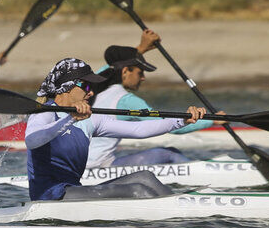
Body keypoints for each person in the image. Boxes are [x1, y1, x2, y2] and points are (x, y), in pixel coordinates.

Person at [26, 58, 206, 201]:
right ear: (67, 86)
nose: (91, 93)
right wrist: (69, 119)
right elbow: (32, 140)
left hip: (73, 190)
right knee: (137, 190)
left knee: (145, 178)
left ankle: (184, 209)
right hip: (50, 196)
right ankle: (179, 220)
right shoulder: (45, 113)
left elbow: (139, 129)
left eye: (93, 88)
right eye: (87, 86)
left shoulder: (90, 120)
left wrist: (181, 120)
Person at [87, 29, 224, 168]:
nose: (143, 78)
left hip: (81, 164)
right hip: (95, 166)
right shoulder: (126, 100)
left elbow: (110, 68)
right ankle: (210, 173)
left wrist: (140, 49)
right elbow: (171, 126)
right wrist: (211, 120)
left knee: (170, 152)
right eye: (140, 73)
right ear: (125, 71)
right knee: (168, 154)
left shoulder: (93, 88)